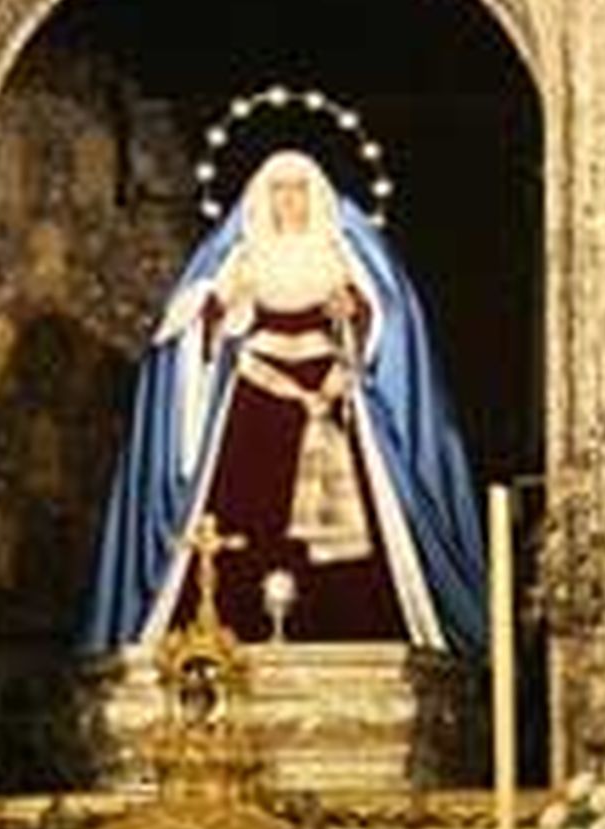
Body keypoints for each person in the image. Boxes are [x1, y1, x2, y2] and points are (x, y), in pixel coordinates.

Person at [80, 149, 487, 657]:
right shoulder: (245, 256)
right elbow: (201, 323)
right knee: (243, 515)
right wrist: (214, 311)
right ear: (263, 199)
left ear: (315, 196)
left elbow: (385, 319)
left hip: (329, 392)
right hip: (257, 396)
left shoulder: (341, 252)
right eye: (279, 190)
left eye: (299, 189)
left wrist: (355, 315)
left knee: (354, 537)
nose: (289, 200)